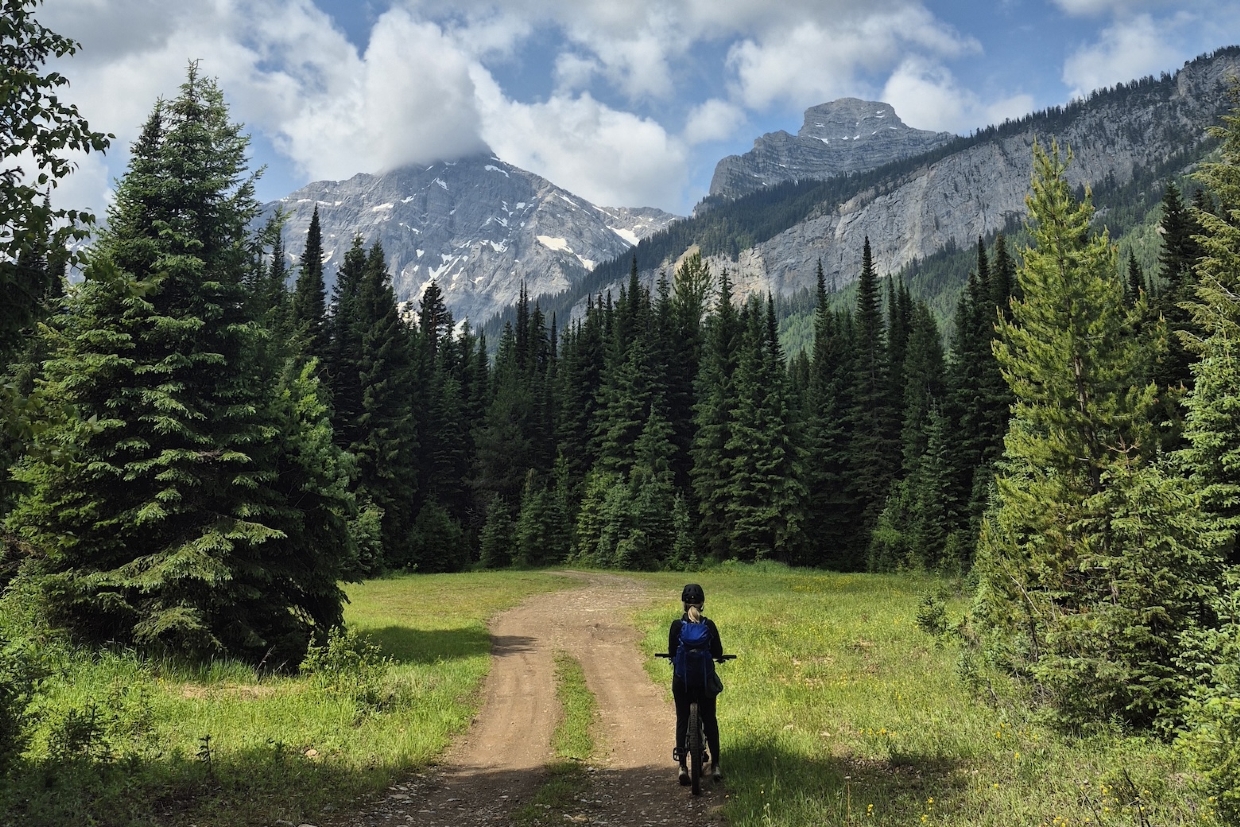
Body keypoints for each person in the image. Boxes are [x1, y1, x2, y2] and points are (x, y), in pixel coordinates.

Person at [669, 582, 724, 784]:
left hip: (682, 681)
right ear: (702, 604)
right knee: (709, 719)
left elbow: (672, 651)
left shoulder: (677, 626)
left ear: (684, 604)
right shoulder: (708, 625)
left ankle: (683, 767)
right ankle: (715, 765)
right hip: (704, 680)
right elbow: (717, 651)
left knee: (682, 719)